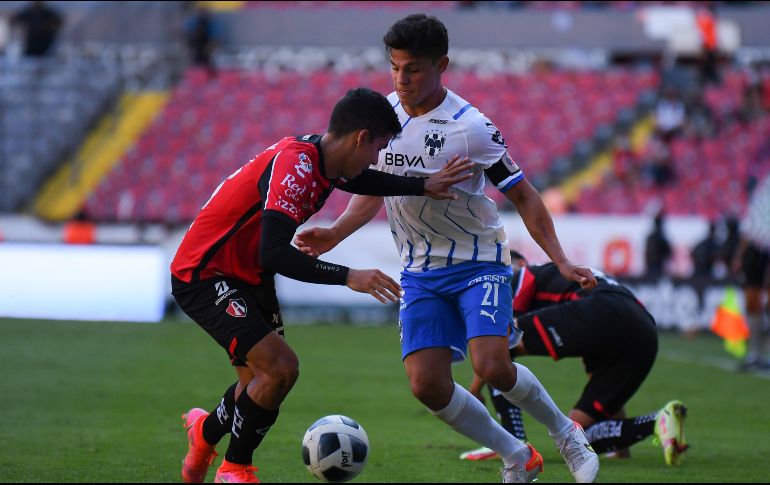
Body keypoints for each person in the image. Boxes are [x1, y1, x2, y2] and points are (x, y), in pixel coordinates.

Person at [294, 14, 599, 483]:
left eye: (412, 68)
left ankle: (566, 433)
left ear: (443, 65)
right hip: (419, 271)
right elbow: (374, 190)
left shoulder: (470, 126)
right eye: (395, 67)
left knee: (492, 365)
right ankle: (516, 454)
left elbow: (523, 194)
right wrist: (335, 234)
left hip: (479, 262)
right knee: (427, 385)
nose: (401, 79)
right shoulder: (383, 117)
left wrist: (559, 259)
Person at [171, 87, 474, 484]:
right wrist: (350, 276)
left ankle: (204, 433)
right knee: (280, 369)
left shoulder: (327, 162)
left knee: (259, 384)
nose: (375, 159)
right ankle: (235, 470)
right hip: (205, 273)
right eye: (377, 148)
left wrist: (422, 186)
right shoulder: (296, 166)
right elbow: (274, 253)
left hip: (248, 276)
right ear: (361, 138)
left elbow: (362, 181)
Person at [461, 251, 689, 467]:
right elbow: (600, 376)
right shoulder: (573, 285)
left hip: (604, 308)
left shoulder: (521, 274)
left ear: (520, 264)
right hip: (643, 330)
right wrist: (622, 450)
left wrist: (475, 390)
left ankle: (513, 442)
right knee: (577, 435)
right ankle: (658, 422)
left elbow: (498, 341)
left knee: (501, 343)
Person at [732, 175, 770, 371]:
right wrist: (740, 254)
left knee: (761, 303)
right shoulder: (763, 189)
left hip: (761, 250)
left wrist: (739, 255)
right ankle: (756, 353)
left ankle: (760, 353)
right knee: (753, 303)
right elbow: (751, 225)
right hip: (756, 250)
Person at [644, 211, 672, 278]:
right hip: (657, 268)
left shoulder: (651, 238)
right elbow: (668, 251)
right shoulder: (660, 238)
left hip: (655, 268)